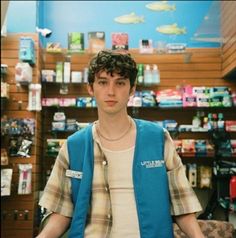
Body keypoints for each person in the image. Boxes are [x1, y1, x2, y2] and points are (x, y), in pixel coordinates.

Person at [37, 50, 204, 238]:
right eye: (102, 82)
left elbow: (183, 206)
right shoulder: (73, 146)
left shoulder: (158, 138)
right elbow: (61, 212)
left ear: (132, 89)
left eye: (120, 83)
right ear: (91, 88)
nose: (111, 91)